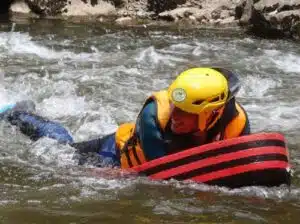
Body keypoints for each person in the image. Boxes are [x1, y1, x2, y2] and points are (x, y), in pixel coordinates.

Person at [0, 67, 250, 168]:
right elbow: (163, 174)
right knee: (59, 146)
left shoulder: (236, 122)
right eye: (175, 106)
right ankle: (16, 113)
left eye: (186, 112)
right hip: (111, 154)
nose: (175, 116)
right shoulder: (153, 117)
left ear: (213, 113)